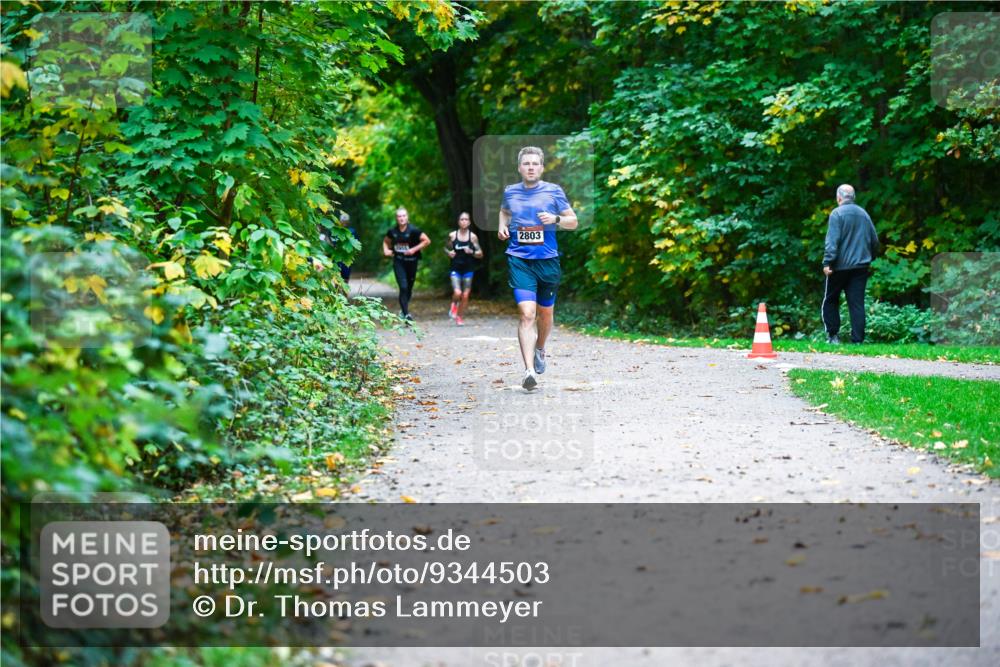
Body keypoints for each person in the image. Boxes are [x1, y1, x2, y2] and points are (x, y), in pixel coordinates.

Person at [498, 146, 578, 390]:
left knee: (545, 314)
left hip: (548, 262)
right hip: (519, 260)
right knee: (527, 314)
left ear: (542, 168)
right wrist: (502, 226)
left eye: (535, 164)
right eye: (526, 163)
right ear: (519, 168)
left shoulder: (554, 192)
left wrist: (555, 219)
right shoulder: (510, 192)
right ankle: (528, 371)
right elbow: (504, 211)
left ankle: (540, 349)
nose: (531, 167)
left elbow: (573, 221)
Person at [822, 184, 880, 344]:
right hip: (860, 267)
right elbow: (875, 241)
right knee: (857, 304)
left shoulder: (836, 214)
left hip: (838, 267)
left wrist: (828, 262)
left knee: (831, 299)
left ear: (838, 197)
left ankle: (833, 336)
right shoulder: (863, 214)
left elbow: (832, 242)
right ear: (853, 197)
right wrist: (870, 258)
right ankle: (858, 340)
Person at [383, 207, 430, 321]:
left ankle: (403, 311)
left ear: (407, 217)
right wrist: (386, 250)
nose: (402, 218)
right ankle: (406, 314)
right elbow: (386, 241)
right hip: (398, 261)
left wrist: (414, 249)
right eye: (399, 216)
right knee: (403, 287)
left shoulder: (414, 230)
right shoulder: (392, 232)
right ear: (396, 218)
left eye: (404, 216)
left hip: (412, 262)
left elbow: (427, 241)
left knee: (408, 288)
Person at [444, 211, 483, 326]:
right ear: (458, 222)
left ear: (469, 222)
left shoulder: (473, 237)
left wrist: (472, 252)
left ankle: (459, 317)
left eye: (466, 219)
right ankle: (454, 305)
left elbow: (480, 254)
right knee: (457, 292)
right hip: (455, 268)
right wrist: (449, 253)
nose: (464, 221)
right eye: (462, 219)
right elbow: (446, 248)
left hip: (468, 269)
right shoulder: (452, 235)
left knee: (465, 295)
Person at [336, 212, 359, 283]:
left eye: (346, 221)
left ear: (348, 222)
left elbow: (356, 244)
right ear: (340, 221)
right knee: (337, 277)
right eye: (343, 221)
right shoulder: (335, 231)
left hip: (347, 256)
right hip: (337, 256)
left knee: (346, 277)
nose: (344, 223)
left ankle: (344, 293)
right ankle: (337, 293)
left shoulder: (352, 231)